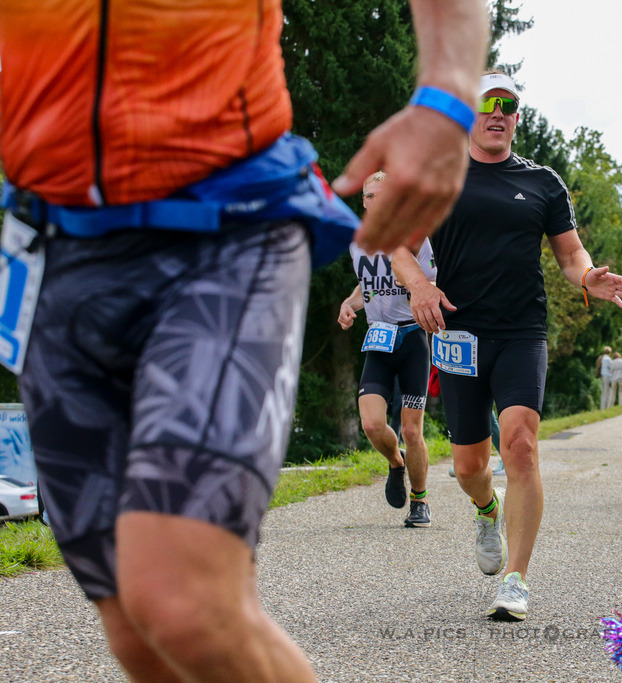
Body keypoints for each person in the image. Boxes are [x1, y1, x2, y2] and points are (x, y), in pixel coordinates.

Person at [0, 2, 487, 680]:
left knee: (180, 598)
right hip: (51, 242)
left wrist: (446, 99)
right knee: (138, 629)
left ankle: (418, 483)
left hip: (226, 220)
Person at [394, 70, 622, 622]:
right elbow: (400, 250)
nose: (497, 112)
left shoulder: (544, 182)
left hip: (523, 329)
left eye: (508, 105)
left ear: (516, 118)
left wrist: (588, 276)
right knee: (468, 464)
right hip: (458, 334)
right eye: (487, 104)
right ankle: (486, 510)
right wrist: (420, 285)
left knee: (520, 444)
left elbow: (572, 255)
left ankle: (516, 579)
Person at [337, 171, 435, 527]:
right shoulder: (357, 242)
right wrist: (349, 304)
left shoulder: (415, 239)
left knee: (412, 430)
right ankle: (396, 463)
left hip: (411, 339)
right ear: (363, 202)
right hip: (379, 340)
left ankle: (420, 501)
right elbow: (368, 288)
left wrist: (411, 282)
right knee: (372, 424)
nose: (377, 203)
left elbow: (431, 284)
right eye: (370, 197)